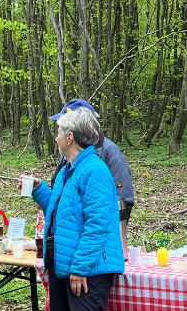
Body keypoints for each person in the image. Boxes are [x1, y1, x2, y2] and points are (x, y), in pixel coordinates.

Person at [32, 107, 125, 311]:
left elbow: (99, 225)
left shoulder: (94, 170)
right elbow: (63, 214)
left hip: (89, 268)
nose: (56, 137)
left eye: (59, 132)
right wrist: (39, 190)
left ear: (69, 137)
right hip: (62, 265)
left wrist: (81, 269)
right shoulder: (69, 170)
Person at [49, 99, 134, 258]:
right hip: (69, 249)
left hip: (95, 254)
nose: (57, 137)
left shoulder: (106, 156)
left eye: (60, 130)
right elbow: (62, 199)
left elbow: (121, 202)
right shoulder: (68, 158)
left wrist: (97, 250)